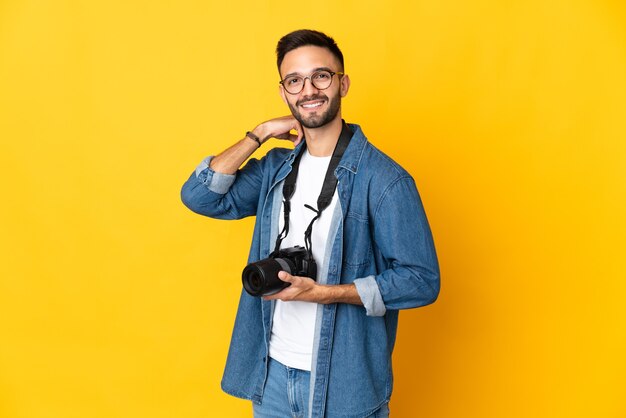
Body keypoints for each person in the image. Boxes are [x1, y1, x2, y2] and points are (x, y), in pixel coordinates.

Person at [181, 29, 440, 418]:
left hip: (345, 387)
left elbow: (422, 280)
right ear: (284, 91)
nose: (308, 90)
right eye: (294, 80)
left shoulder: (384, 180)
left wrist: (327, 293)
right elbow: (199, 196)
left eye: (321, 76)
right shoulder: (275, 170)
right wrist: (261, 133)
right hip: (271, 381)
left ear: (343, 83)